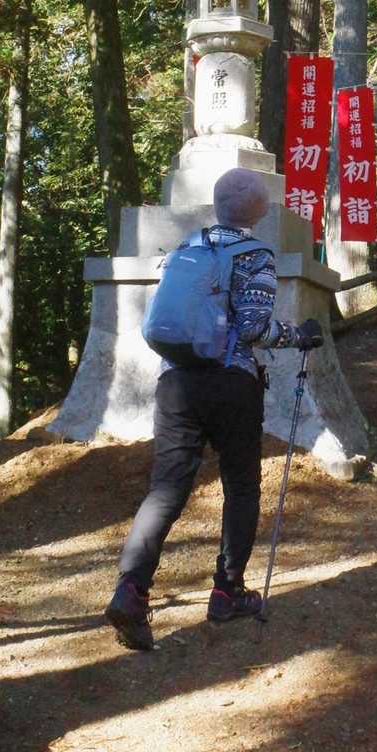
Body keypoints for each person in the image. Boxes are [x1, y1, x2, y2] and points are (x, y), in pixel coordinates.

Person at [105, 168, 322, 651]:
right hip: (231, 384)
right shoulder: (256, 255)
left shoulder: (186, 248)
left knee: (165, 489)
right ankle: (227, 592)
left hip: (176, 382)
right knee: (241, 486)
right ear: (260, 211)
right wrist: (298, 335)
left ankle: (130, 590)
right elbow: (253, 329)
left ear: (218, 205)